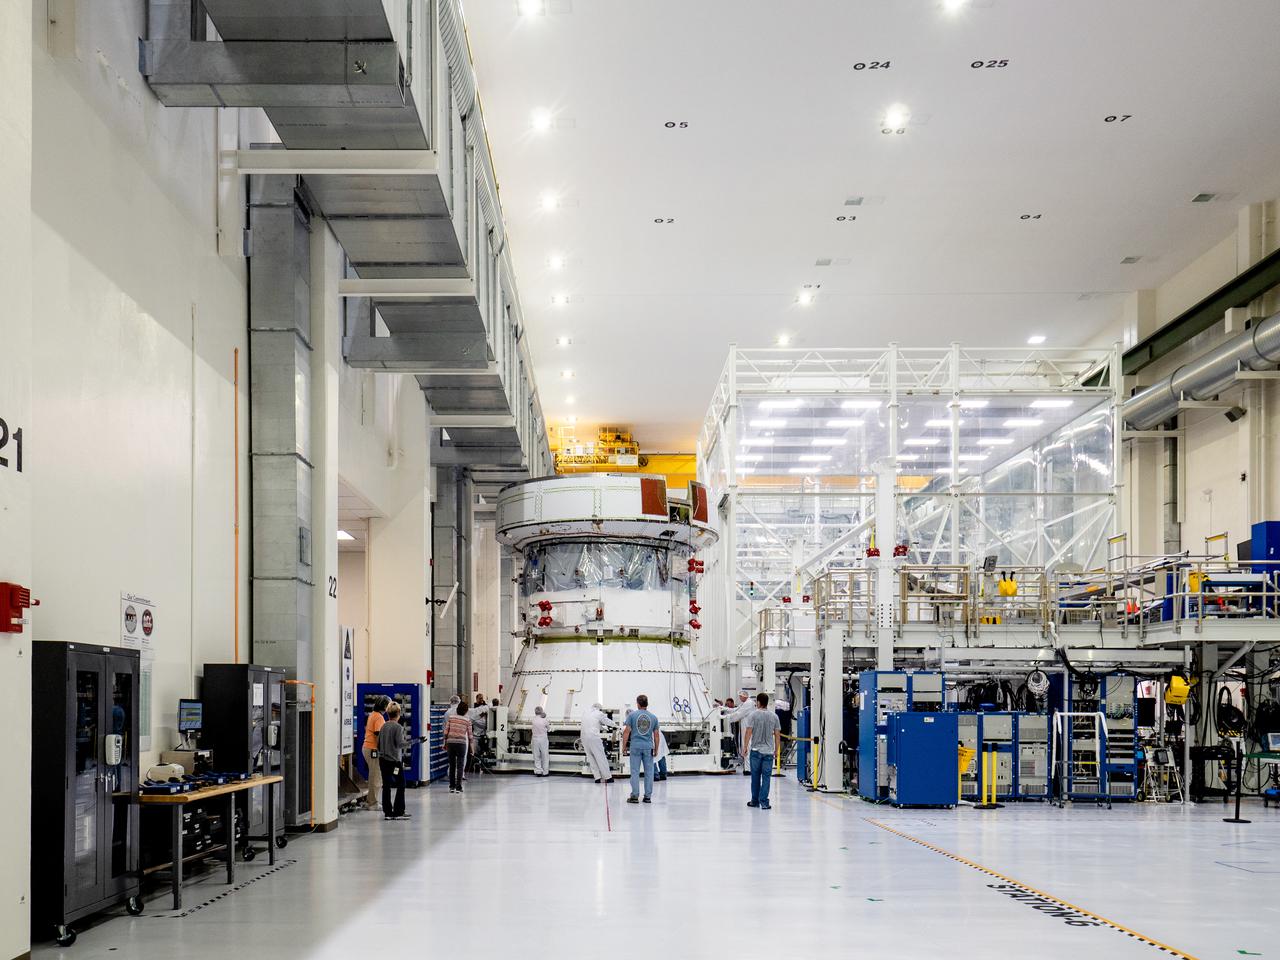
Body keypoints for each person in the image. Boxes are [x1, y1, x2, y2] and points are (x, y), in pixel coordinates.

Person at [743, 692, 782, 810]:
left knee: (755, 777)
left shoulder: (753, 715)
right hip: (769, 752)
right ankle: (764, 802)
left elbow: (748, 732)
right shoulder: (774, 716)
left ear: (758, 702)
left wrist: (745, 747)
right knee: (766, 778)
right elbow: (777, 735)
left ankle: (755, 801)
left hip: (755, 751)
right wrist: (777, 750)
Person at [621, 694, 659, 804]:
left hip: (635, 747)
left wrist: (624, 747)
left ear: (638, 704)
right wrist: (656, 749)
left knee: (635, 772)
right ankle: (647, 797)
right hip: (648, 747)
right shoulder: (653, 717)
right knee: (649, 772)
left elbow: (626, 732)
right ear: (647, 704)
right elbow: (656, 735)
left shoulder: (632, 716)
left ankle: (634, 796)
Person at [377, 702, 409, 819]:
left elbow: (378, 744)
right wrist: (414, 742)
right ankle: (399, 811)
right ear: (398, 714)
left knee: (386, 786)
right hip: (395, 761)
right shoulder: (398, 727)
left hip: (383, 761)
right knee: (401, 784)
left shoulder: (383, 726)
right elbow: (400, 744)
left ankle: (388, 813)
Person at [362, 695, 390, 810]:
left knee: (373, 775)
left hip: (368, 748)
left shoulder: (373, 714)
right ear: (384, 705)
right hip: (373, 749)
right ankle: (372, 804)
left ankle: (370, 800)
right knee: (376, 777)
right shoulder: (378, 717)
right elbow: (378, 735)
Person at [580, 703, 616, 784]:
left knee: (591, 758)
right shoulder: (599, 713)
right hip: (593, 738)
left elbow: (594, 724)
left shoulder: (585, 712)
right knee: (601, 757)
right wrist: (615, 725)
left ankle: (597, 778)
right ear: (599, 708)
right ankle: (608, 777)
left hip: (584, 737)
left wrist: (603, 728)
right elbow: (606, 721)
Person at [444, 700, 473, 793]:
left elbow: (445, 732)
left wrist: (445, 743)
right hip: (461, 744)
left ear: (457, 709)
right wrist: (472, 749)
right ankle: (458, 787)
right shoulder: (467, 720)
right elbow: (470, 736)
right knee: (460, 765)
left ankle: (451, 787)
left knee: (452, 765)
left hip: (450, 743)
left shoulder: (451, 718)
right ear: (466, 711)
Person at [728, 691, 755, 775]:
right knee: (745, 747)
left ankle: (748, 769)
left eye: (740, 696)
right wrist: (723, 709)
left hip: (747, 729)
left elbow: (738, 714)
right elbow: (736, 710)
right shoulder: (745, 703)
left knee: (747, 747)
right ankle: (747, 768)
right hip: (745, 728)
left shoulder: (748, 703)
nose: (739, 698)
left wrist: (726, 718)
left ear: (745, 696)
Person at [531, 705, 550, 776]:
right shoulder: (544, 719)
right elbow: (549, 728)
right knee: (545, 755)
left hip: (535, 739)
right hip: (543, 739)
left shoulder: (533, 719)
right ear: (541, 711)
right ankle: (545, 772)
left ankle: (538, 771)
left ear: (535, 712)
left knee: (536, 755)